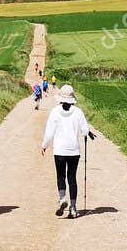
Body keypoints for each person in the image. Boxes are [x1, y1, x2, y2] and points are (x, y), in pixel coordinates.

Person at [41, 83, 91, 219]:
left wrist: (44, 145)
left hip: (59, 151)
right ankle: (73, 207)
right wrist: (88, 132)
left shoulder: (55, 112)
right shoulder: (78, 112)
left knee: (61, 176)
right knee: (72, 178)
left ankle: (63, 198)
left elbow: (49, 132)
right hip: (74, 151)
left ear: (61, 98)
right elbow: (85, 130)